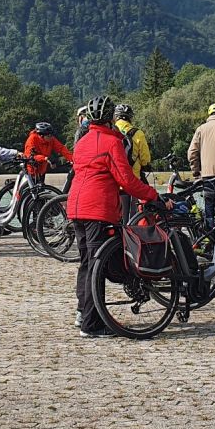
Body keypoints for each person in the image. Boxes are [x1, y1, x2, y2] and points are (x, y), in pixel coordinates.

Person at [68, 95, 163, 338]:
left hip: (76, 207)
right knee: (97, 267)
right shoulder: (112, 143)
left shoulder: (82, 142)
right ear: (111, 117)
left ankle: (83, 314)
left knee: (88, 263)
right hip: (98, 209)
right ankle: (92, 325)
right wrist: (152, 195)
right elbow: (126, 180)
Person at [113, 103, 152, 178]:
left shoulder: (110, 130)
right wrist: (146, 165)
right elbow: (145, 159)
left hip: (114, 180)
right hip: (133, 177)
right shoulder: (138, 133)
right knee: (147, 189)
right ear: (129, 117)